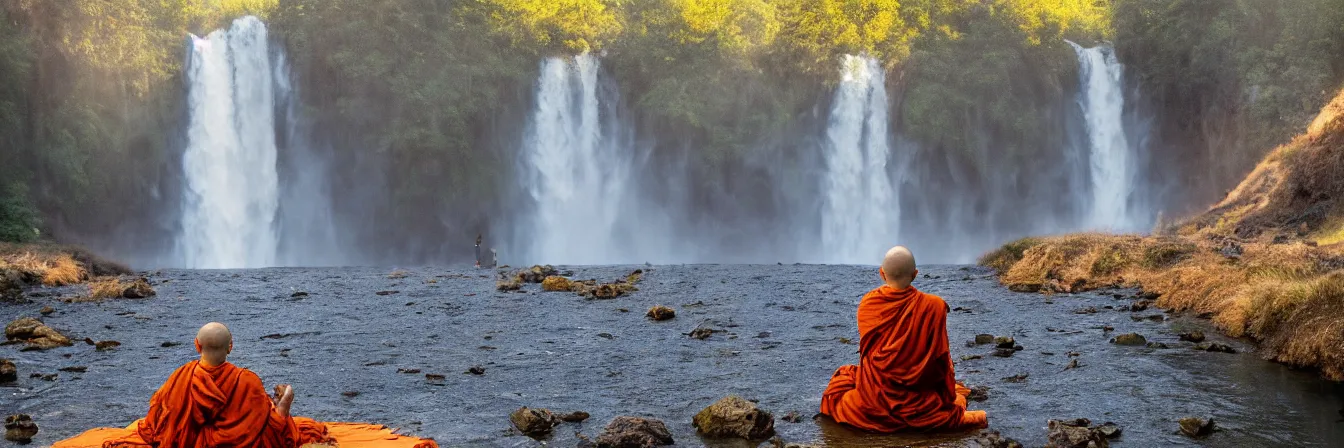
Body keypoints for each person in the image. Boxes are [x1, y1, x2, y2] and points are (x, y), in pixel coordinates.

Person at [53, 323, 438, 448]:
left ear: (196, 346)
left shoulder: (178, 379)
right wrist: (284, 403)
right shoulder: (247, 382)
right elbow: (273, 434)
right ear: (232, 347)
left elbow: (156, 425)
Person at [819, 246, 989, 432]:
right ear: (915, 274)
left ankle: (887, 413)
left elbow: (872, 356)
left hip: (875, 397)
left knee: (838, 390)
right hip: (919, 395)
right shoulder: (934, 306)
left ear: (881, 274)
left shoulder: (869, 304)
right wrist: (947, 396)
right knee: (955, 400)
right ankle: (930, 413)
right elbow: (940, 359)